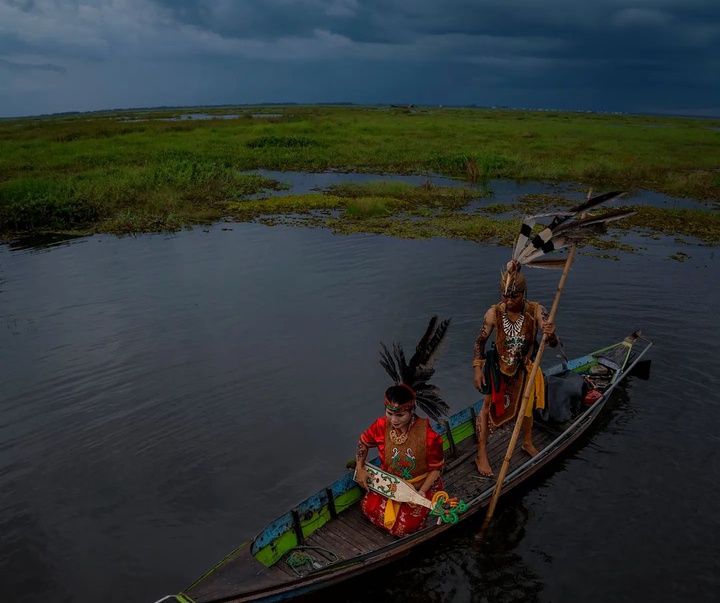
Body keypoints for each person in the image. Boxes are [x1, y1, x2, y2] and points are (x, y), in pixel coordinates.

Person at [354, 316, 450, 537]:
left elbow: (436, 469)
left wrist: (421, 493)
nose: (394, 420)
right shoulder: (380, 425)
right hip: (391, 485)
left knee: (403, 527)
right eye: (390, 413)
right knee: (368, 507)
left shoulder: (428, 435)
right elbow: (363, 443)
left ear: (411, 410)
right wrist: (360, 467)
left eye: (400, 415)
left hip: (419, 486)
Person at [472, 261, 557, 477]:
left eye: (514, 297)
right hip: (497, 367)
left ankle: (527, 443)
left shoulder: (536, 311)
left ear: (523, 293)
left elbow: (553, 343)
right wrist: (477, 369)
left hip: (524, 367)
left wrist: (551, 333)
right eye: (504, 296)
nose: (509, 301)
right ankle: (481, 453)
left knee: (525, 406)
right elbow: (480, 341)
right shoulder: (493, 313)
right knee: (487, 407)